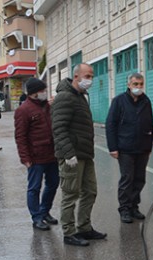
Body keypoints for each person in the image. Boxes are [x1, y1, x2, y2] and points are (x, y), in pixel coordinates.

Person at [52, 63, 106, 247]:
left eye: (91, 76)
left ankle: (84, 227)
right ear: (76, 76)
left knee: (90, 191)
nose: (90, 79)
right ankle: (69, 232)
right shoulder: (65, 97)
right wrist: (68, 154)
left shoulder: (80, 96)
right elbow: (58, 128)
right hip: (72, 156)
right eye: (87, 76)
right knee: (70, 194)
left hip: (84, 154)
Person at [106, 73, 153, 224]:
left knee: (139, 179)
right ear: (129, 85)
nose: (138, 87)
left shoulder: (146, 101)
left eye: (141, 84)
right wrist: (113, 147)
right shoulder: (119, 101)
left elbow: (150, 124)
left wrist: (149, 145)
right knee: (127, 178)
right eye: (135, 84)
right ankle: (124, 208)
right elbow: (111, 124)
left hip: (142, 147)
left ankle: (134, 206)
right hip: (125, 147)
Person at [14, 78, 60, 231]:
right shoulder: (23, 110)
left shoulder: (47, 106)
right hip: (35, 157)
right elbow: (20, 137)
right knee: (34, 188)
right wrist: (25, 158)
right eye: (43, 90)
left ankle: (44, 211)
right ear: (35, 92)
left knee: (52, 184)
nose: (45, 92)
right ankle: (37, 218)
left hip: (51, 154)